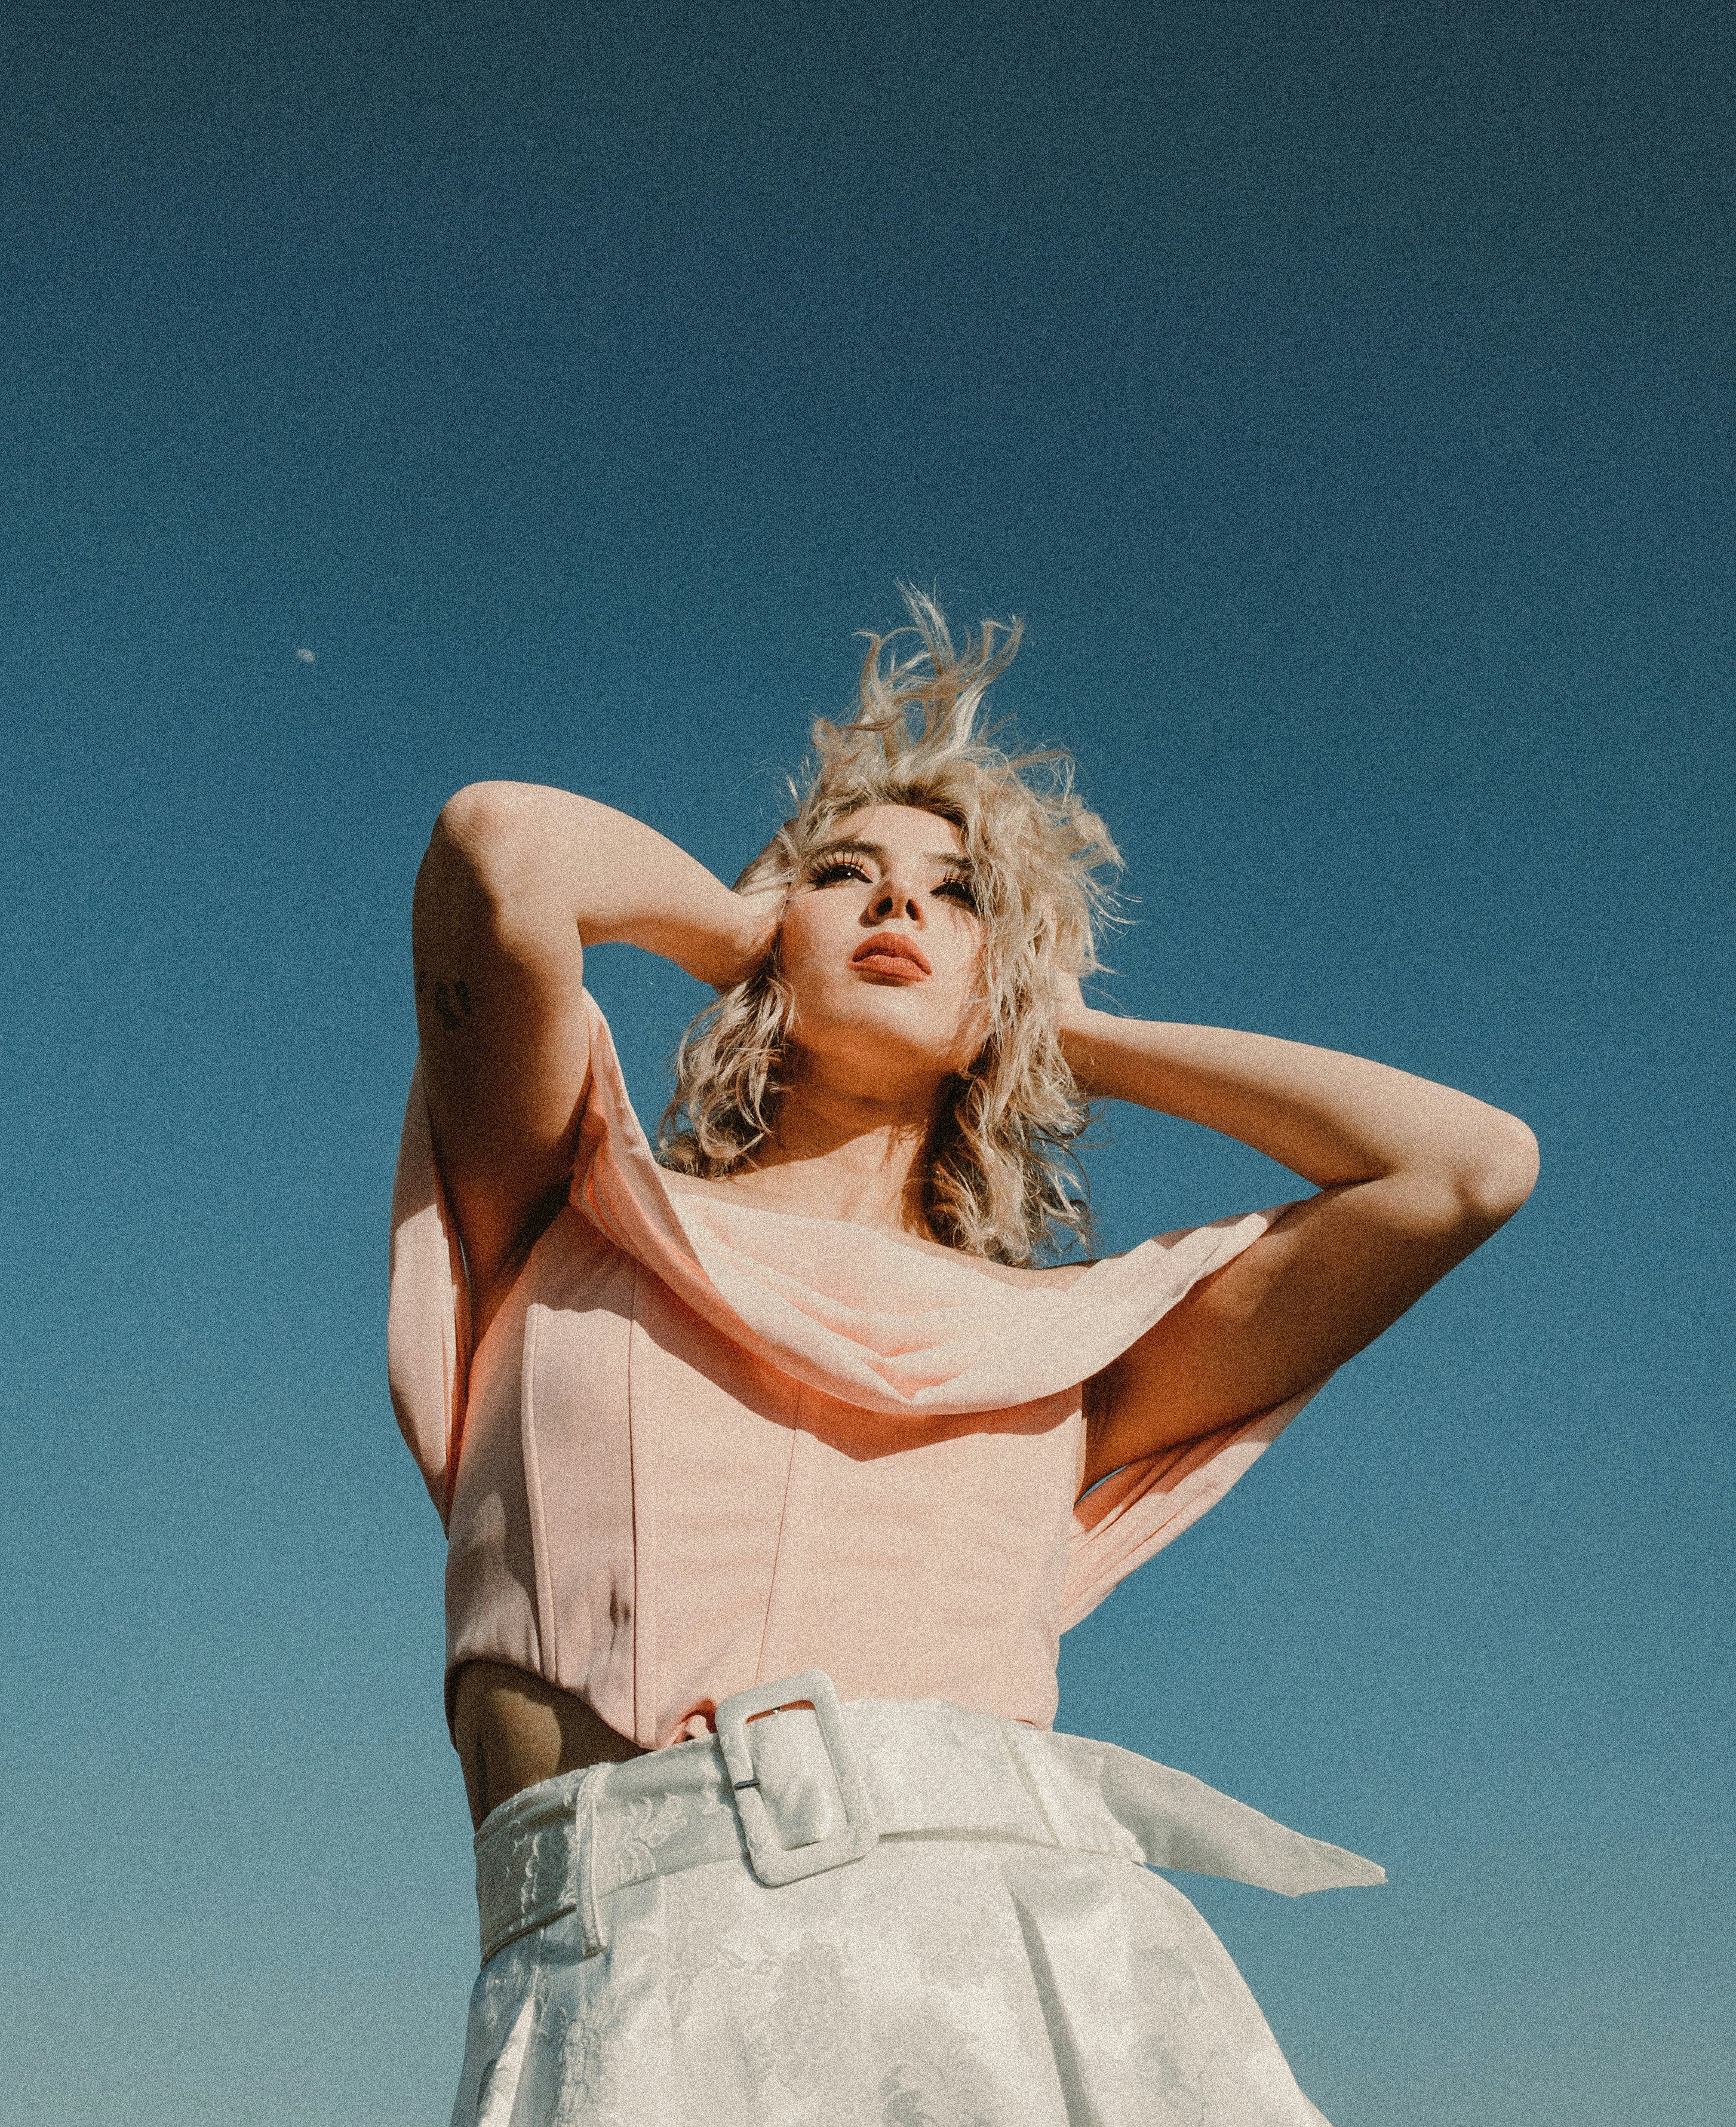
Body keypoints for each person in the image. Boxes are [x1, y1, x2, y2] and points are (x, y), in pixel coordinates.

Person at [389, 593, 1538, 2126]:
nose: (897, 902)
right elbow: (499, 845)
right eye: (842, 874)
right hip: (624, 1982)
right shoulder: (563, 1201)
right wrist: (730, 928)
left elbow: (1466, 1168)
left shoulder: (1074, 1350)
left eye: (958, 896)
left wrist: (1060, 1029)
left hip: (1022, 1976)